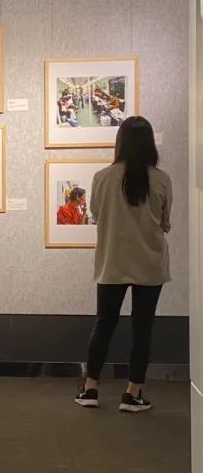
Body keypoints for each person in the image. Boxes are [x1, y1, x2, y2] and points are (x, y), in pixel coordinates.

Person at [75, 117, 172, 413]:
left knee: (104, 324)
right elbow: (165, 223)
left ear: (120, 143)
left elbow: (95, 214)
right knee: (143, 328)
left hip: (112, 261)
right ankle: (133, 393)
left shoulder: (102, 177)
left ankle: (90, 388)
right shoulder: (162, 179)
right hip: (150, 263)